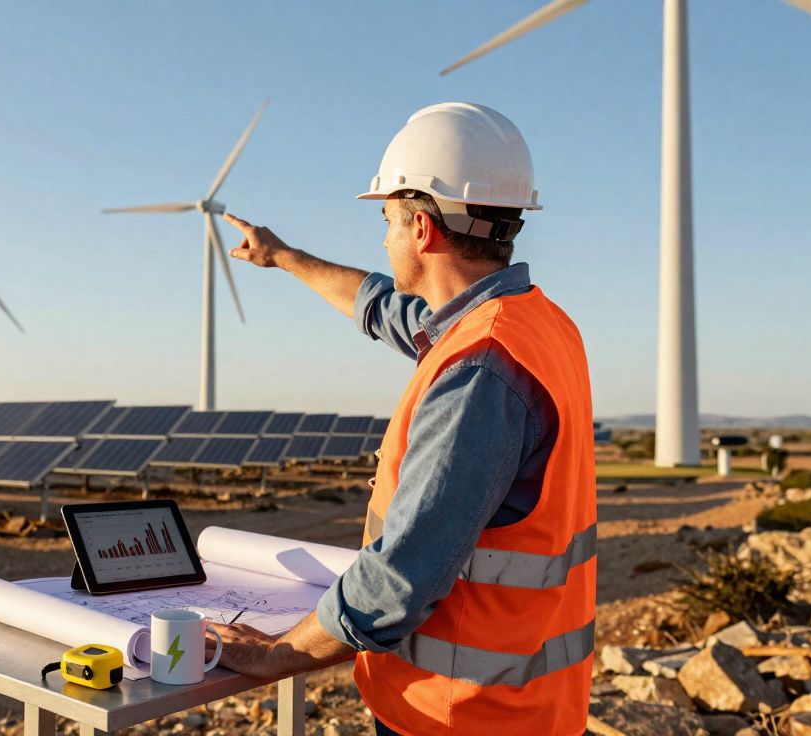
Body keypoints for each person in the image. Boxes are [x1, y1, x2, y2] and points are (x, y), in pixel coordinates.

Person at [209, 102, 597, 735]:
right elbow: (381, 307)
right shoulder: (532, 324)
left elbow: (398, 580)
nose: (383, 237)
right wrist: (283, 257)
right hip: (531, 706)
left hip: (461, 715)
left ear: (421, 228)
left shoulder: (479, 372)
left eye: (387, 219)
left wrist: (271, 654)